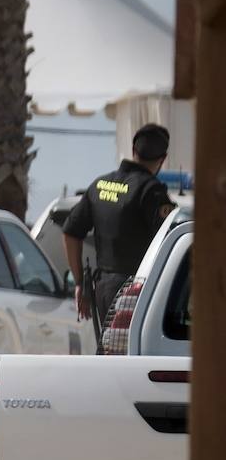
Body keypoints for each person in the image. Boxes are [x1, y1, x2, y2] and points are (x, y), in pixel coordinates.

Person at [62, 123, 176, 332]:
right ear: (162, 159)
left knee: (110, 352)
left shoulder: (100, 184)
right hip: (134, 290)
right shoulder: (152, 191)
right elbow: (171, 239)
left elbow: (70, 233)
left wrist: (79, 283)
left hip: (102, 287)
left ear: (133, 150)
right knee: (129, 356)